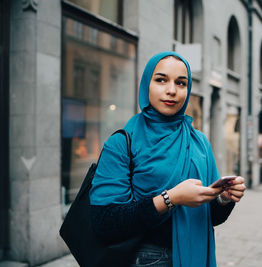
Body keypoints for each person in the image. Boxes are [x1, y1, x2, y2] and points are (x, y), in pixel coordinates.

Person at [89, 51, 246, 267]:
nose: (171, 90)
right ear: (146, 84)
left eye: (181, 83)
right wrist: (172, 198)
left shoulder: (199, 142)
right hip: (143, 259)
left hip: (195, 256)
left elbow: (210, 217)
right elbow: (105, 221)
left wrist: (224, 199)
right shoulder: (122, 143)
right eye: (161, 80)